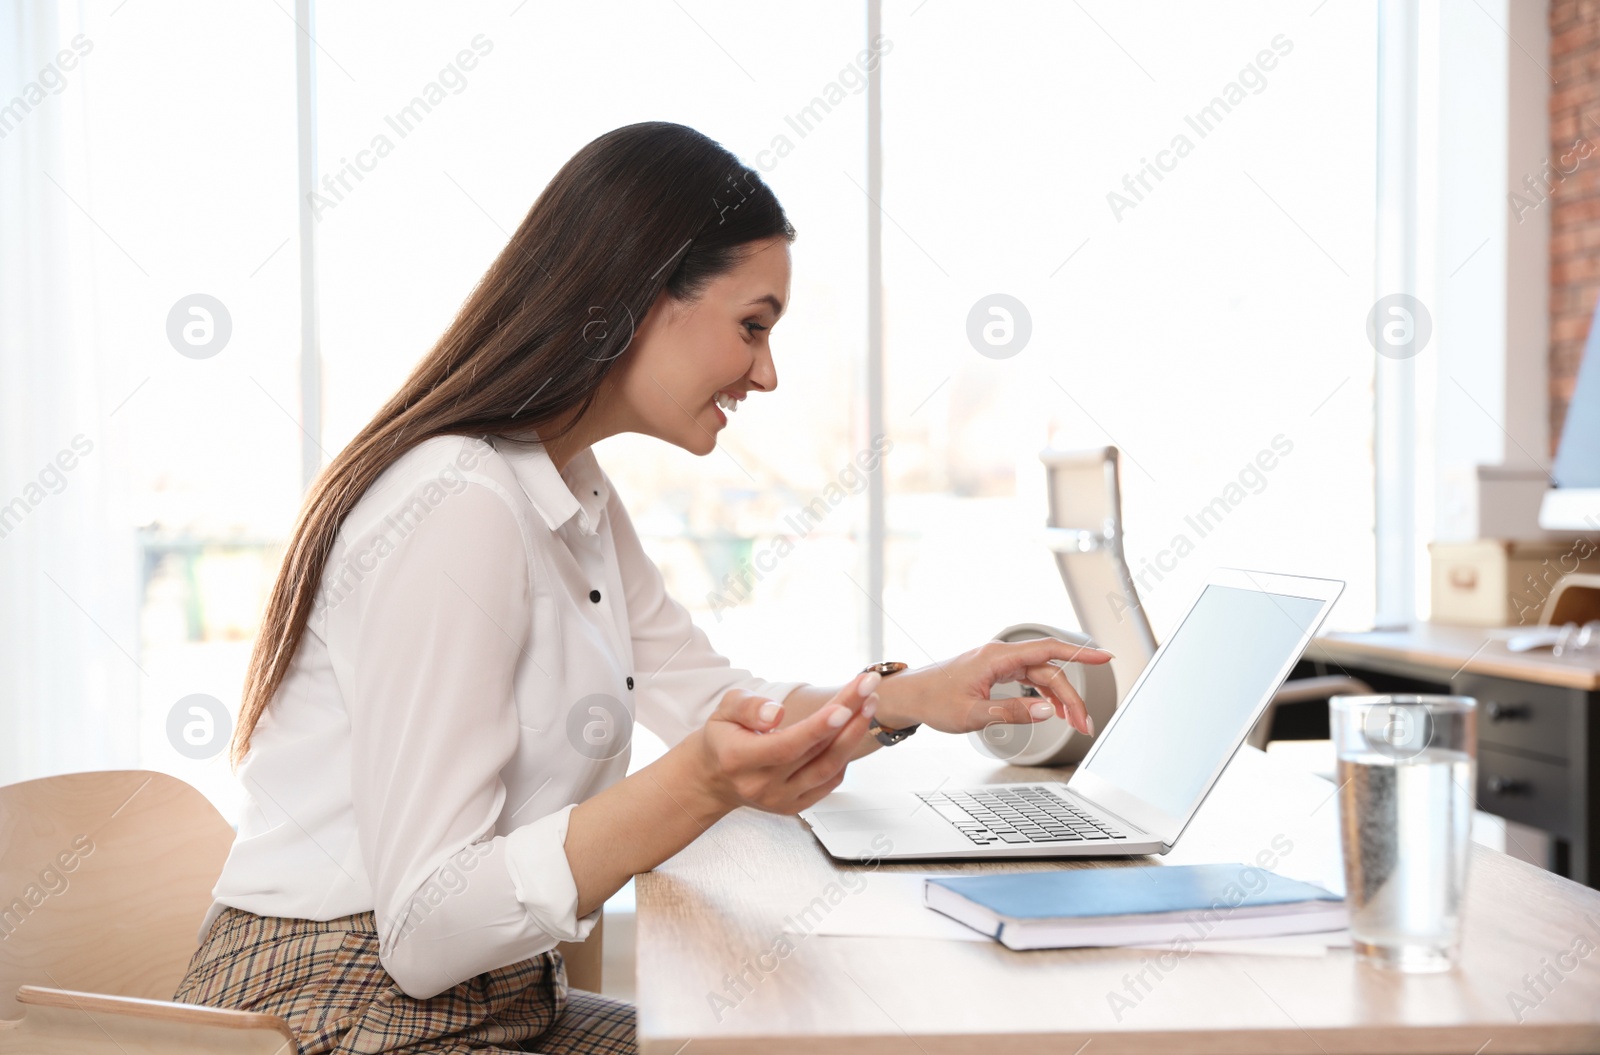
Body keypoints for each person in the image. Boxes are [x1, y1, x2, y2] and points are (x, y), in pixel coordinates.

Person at [171, 121, 1111, 1055]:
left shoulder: (566, 485)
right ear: (639, 296)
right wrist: (699, 781)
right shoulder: (455, 504)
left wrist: (912, 694)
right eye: (752, 325)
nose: (768, 372)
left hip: (495, 1000)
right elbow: (425, 930)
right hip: (329, 1012)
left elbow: (707, 698)